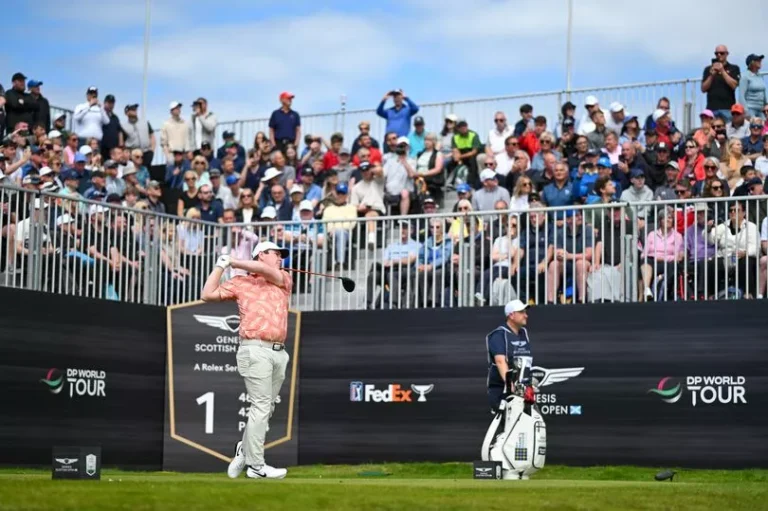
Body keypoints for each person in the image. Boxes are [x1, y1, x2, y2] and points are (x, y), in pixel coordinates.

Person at [201, 241, 292, 480]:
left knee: (267, 408)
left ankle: (244, 449)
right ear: (262, 254)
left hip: (279, 352)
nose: (281, 258)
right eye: (276, 253)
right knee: (261, 406)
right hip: (254, 349)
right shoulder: (240, 283)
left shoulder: (282, 277)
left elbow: (266, 271)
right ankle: (256, 466)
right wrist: (220, 266)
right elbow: (207, 294)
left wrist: (233, 260)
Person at [485, 299, 532, 414]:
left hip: (523, 392)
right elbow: (500, 361)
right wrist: (511, 387)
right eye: (522, 312)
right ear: (511, 315)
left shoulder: (523, 333)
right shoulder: (498, 335)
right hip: (503, 392)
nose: (526, 315)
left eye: (525, 312)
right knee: (509, 429)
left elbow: (525, 362)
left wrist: (528, 386)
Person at [701, 45, 741, 120]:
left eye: (722, 53)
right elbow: (703, 89)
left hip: (728, 108)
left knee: (729, 130)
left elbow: (734, 85)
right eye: (716, 53)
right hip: (712, 108)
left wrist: (722, 71)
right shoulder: (708, 69)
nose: (719, 55)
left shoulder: (734, 68)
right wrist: (711, 76)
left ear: (727, 54)